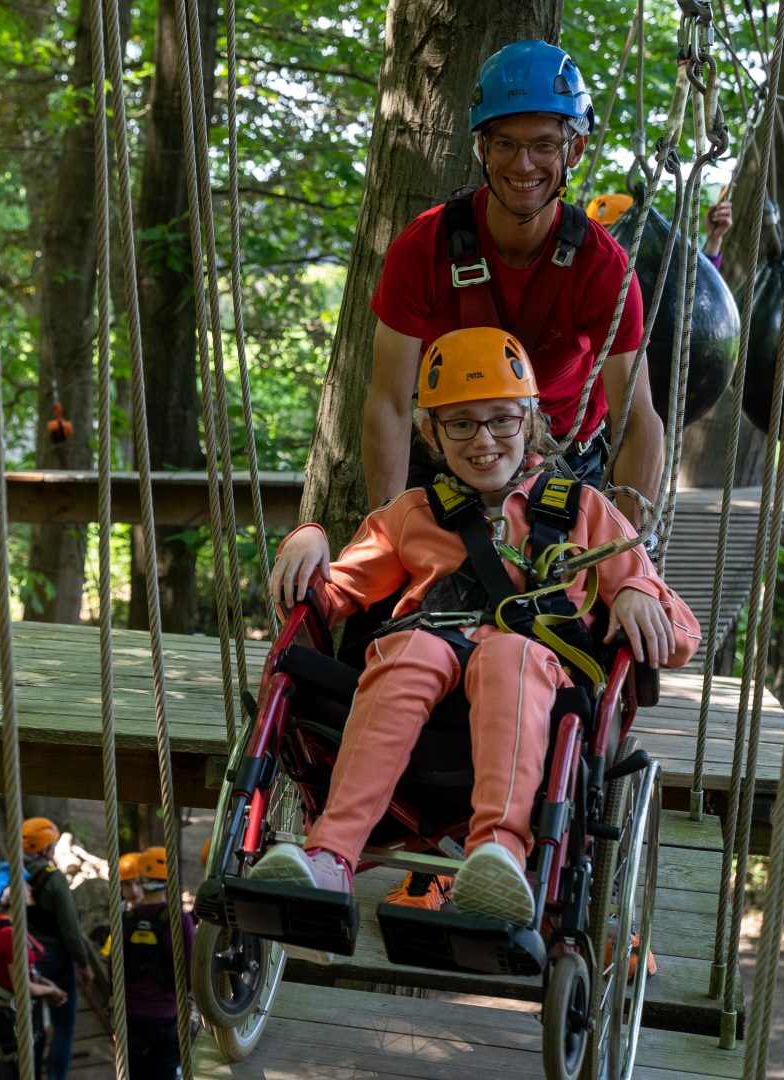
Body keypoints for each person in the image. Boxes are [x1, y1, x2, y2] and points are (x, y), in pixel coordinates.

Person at [256, 327, 700, 930]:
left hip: (531, 684)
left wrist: (639, 593)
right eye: (460, 424)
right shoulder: (412, 515)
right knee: (409, 649)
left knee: (506, 654)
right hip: (425, 684)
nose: (483, 440)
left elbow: (681, 634)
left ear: (531, 420)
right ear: (431, 433)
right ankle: (330, 855)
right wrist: (307, 538)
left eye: (501, 421)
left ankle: (498, 856)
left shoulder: (586, 511)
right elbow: (331, 596)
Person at [366, 40, 660, 516]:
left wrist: (628, 560)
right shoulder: (424, 249)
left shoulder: (602, 267)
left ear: (576, 149)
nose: (523, 165)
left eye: (543, 145)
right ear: (482, 146)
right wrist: (384, 523)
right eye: (505, 143)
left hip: (563, 463)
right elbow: (391, 404)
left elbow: (636, 417)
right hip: (451, 455)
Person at [110, 846, 195, 1080]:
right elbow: (190, 973)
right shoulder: (179, 921)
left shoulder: (125, 920)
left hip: (130, 1016)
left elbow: (114, 969)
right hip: (165, 1016)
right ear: (168, 878)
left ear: (141, 878)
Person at [0, 861, 69, 1080]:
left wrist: (48, 985)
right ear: (10, 894)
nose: (30, 889)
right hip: (16, 1019)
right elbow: (24, 987)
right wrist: (52, 992)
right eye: (24, 885)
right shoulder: (10, 935)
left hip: (7, 1013)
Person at [21, 816, 93, 1080]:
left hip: (28, 956)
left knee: (34, 1025)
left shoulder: (12, 874)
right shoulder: (54, 881)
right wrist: (83, 964)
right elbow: (70, 931)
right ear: (45, 848)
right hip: (56, 959)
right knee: (63, 1027)